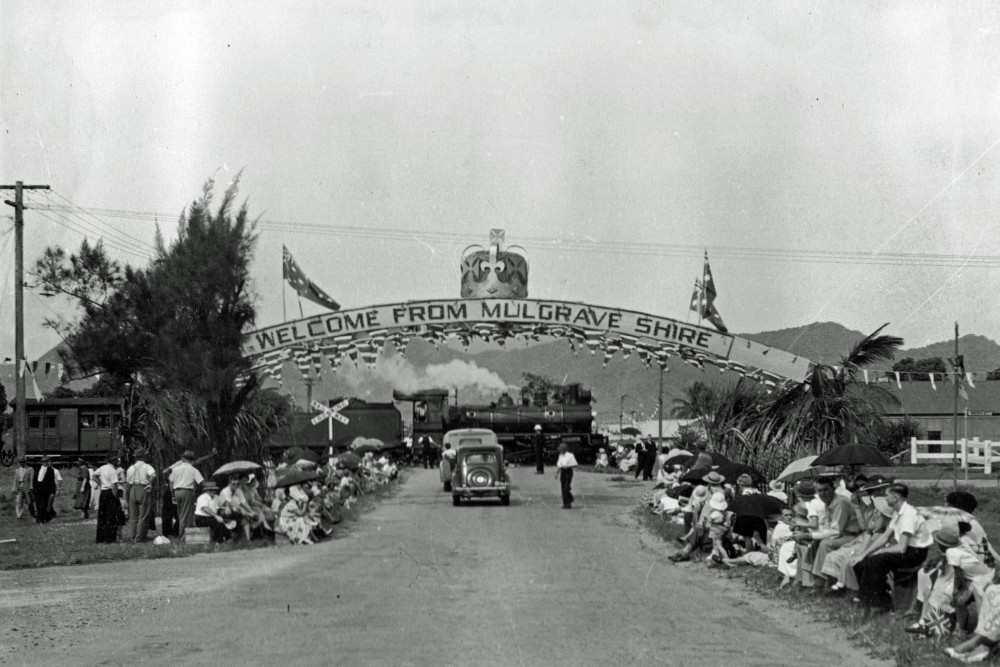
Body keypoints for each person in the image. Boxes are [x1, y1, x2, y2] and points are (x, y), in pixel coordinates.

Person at [853, 482, 932, 613]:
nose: (885, 499)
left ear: (895, 498)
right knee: (860, 563)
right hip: (906, 550)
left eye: (887, 496)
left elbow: (902, 547)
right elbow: (884, 537)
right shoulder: (898, 513)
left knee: (876, 560)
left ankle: (867, 600)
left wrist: (881, 552)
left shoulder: (909, 514)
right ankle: (881, 599)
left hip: (915, 553)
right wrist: (864, 554)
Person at [793, 475, 862, 591]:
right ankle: (812, 581)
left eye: (826, 490)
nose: (823, 493)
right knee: (816, 543)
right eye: (819, 490)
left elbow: (835, 531)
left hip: (851, 536)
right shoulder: (828, 503)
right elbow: (828, 528)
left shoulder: (840, 503)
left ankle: (822, 584)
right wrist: (812, 537)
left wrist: (808, 535)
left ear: (833, 488)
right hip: (841, 535)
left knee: (826, 543)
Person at [169, 450, 204, 539]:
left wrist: (173, 494)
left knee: (180, 514)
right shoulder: (193, 469)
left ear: (183, 459)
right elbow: (201, 482)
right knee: (186, 515)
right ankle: (183, 537)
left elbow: (171, 482)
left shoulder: (176, 469)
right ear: (192, 460)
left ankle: (182, 534)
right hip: (187, 492)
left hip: (177, 492)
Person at [124, 448, 156, 542]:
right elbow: (153, 475)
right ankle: (139, 538)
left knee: (133, 516)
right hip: (143, 489)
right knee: (143, 515)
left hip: (133, 489)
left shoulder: (131, 468)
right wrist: (149, 483)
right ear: (143, 457)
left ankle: (132, 536)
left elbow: (127, 483)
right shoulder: (147, 466)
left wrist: (127, 496)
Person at [95, 454, 124, 543]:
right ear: (114, 462)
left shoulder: (102, 468)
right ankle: (110, 538)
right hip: (110, 492)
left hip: (103, 492)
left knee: (102, 515)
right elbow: (114, 485)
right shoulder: (113, 471)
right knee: (111, 516)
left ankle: (100, 538)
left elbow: (94, 476)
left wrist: (101, 484)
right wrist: (116, 497)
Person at [32, 455, 61, 524]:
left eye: (46, 461)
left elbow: (52, 482)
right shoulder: (37, 468)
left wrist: (52, 492)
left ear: (48, 462)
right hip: (37, 489)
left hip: (45, 490)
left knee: (43, 505)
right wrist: (33, 488)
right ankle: (40, 519)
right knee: (38, 505)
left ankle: (41, 520)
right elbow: (34, 479)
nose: (45, 463)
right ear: (42, 462)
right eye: (44, 461)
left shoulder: (51, 470)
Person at [554, 442, 578, 508]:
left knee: (566, 488)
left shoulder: (570, 455)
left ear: (564, 449)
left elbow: (575, 465)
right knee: (563, 488)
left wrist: (567, 466)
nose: (559, 450)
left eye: (560, 449)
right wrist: (557, 473)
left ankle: (569, 501)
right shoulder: (560, 456)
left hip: (568, 472)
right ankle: (566, 503)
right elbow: (559, 465)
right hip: (563, 472)